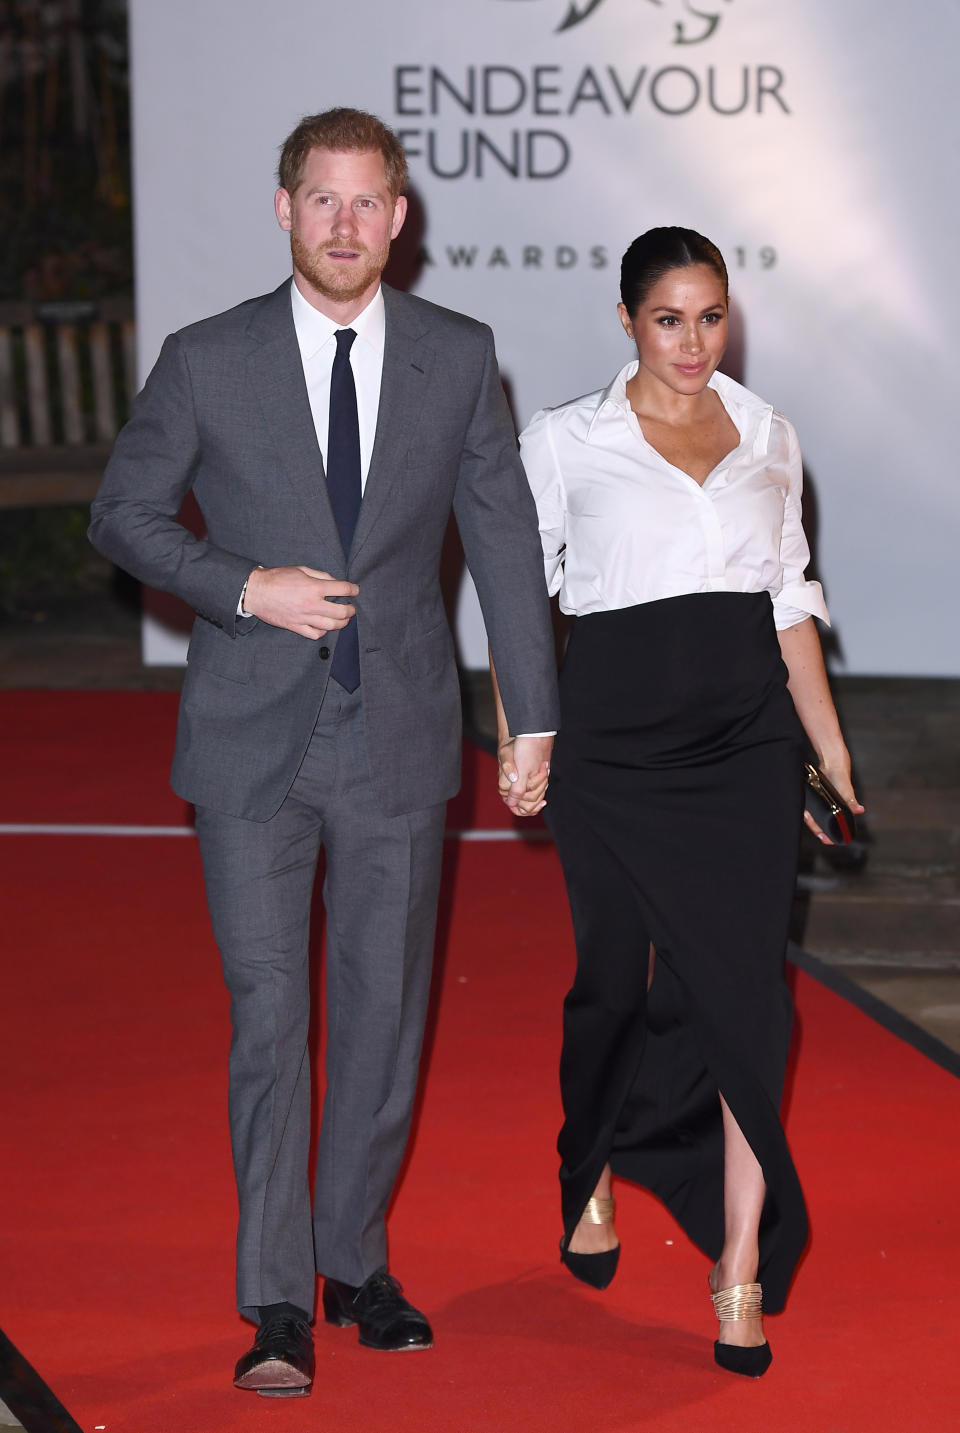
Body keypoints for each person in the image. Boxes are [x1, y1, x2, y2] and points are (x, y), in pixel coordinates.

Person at [89, 107, 557, 1398]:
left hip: (400, 733)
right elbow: (122, 514)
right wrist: (243, 585)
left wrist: (536, 711)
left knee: (385, 1015)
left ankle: (358, 1262)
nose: (347, 226)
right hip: (251, 744)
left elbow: (503, 539)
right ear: (284, 206)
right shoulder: (207, 358)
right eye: (323, 201)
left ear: (400, 217)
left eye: (371, 203)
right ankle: (277, 1294)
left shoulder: (458, 358)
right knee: (267, 1016)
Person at [500, 227, 862, 1377]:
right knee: (615, 979)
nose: (694, 342)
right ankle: (593, 1159)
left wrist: (832, 754)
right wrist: (526, 733)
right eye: (669, 318)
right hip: (610, 752)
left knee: (748, 997)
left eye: (711, 317)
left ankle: (739, 1263)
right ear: (626, 320)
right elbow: (518, 606)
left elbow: (791, 604)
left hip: (745, 745)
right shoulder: (564, 441)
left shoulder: (767, 434)